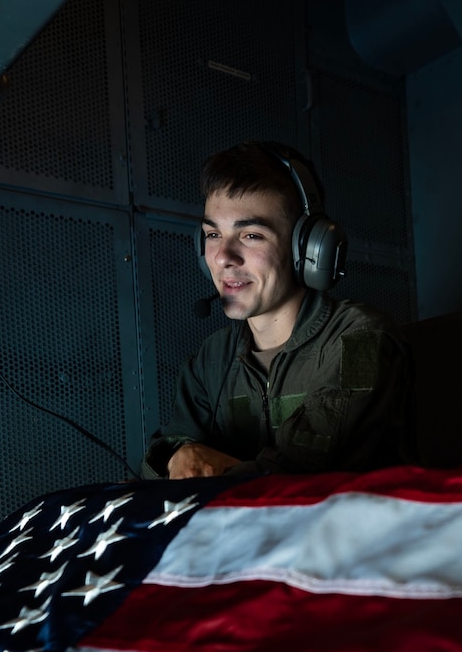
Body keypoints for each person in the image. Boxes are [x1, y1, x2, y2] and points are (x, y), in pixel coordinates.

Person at [144, 142, 409, 478]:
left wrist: (211, 470)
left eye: (251, 235)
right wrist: (177, 455)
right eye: (213, 233)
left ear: (309, 249)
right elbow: (162, 455)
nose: (223, 256)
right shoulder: (211, 361)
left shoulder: (361, 340)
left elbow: (306, 471)